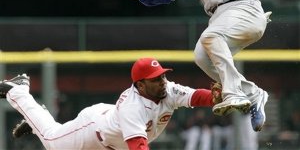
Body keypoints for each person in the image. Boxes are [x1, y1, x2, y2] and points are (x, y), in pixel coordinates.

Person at [126, 0, 300, 132]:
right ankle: (254, 94)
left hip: (245, 7)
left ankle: (233, 92)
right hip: (220, 17)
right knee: (201, 56)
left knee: (210, 38)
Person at [0, 57, 222, 150]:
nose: (162, 81)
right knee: (52, 141)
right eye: (156, 79)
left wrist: (216, 97)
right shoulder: (133, 108)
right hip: (93, 131)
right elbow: (138, 147)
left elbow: (196, 97)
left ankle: (36, 118)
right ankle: (19, 90)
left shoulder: (168, 89)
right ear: (141, 85)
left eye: (163, 75)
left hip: (114, 140)